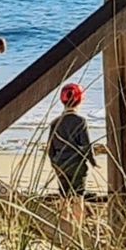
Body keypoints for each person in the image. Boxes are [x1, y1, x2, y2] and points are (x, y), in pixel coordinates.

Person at [47, 83, 97, 223]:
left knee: (63, 195)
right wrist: (93, 162)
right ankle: (77, 229)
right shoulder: (80, 121)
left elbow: (50, 148)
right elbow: (86, 145)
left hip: (61, 164)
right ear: (80, 100)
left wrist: (54, 163)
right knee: (78, 196)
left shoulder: (55, 122)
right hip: (77, 164)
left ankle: (64, 226)